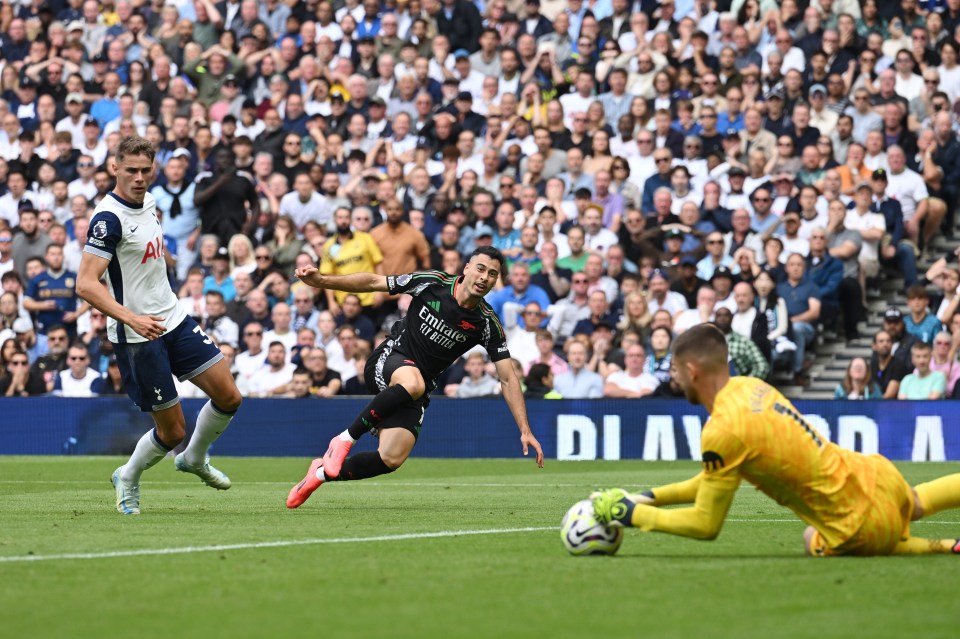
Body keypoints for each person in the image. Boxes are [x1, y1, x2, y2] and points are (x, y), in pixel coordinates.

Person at [591, 323, 960, 557]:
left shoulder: (722, 431)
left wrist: (632, 514)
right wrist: (646, 496)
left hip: (856, 524)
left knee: (810, 537)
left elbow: (706, 523)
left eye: (676, 371)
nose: (676, 380)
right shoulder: (751, 387)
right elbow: (709, 480)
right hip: (877, 475)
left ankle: (944, 546)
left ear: (692, 371)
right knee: (914, 501)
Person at [286, 247, 544, 509]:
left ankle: (319, 474)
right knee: (413, 382)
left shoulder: (487, 323)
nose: (484, 277)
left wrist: (525, 430)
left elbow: (509, 378)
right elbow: (376, 282)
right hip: (390, 358)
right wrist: (322, 281)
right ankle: (342, 440)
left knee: (391, 458)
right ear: (466, 268)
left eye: (492, 274)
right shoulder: (433, 283)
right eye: (480, 268)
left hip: (417, 388)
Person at [76, 136, 243, 516]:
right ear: (114, 168)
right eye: (130, 170)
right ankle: (129, 476)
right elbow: (85, 284)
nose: (138, 177)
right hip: (138, 335)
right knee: (172, 433)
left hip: (174, 318)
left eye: (145, 170)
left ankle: (194, 460)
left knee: (230, 396)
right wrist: (132, 316)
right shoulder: (107, 219)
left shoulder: (150, 202)